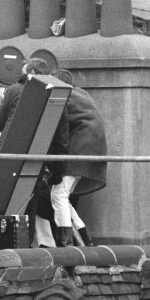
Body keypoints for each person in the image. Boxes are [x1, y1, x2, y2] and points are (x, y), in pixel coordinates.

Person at [0, 57, 69, 247]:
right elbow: (61, 138)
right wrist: (58, 171)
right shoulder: (57, 95)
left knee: (1, 199)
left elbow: (0, 123)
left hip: (8, 154)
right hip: (37, 156)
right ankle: (27, 246)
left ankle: (1, 243)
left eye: (24, 71)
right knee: (30, 201)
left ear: (31, 74)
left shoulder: (14, 90)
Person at [49, 69, 107, 247]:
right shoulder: (82, 94)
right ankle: (85, 239)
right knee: (62, 195)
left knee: (58, 194)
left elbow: (60, 129)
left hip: (80, 148)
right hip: (94, 150)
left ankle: (65, 242)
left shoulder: (64, 96)